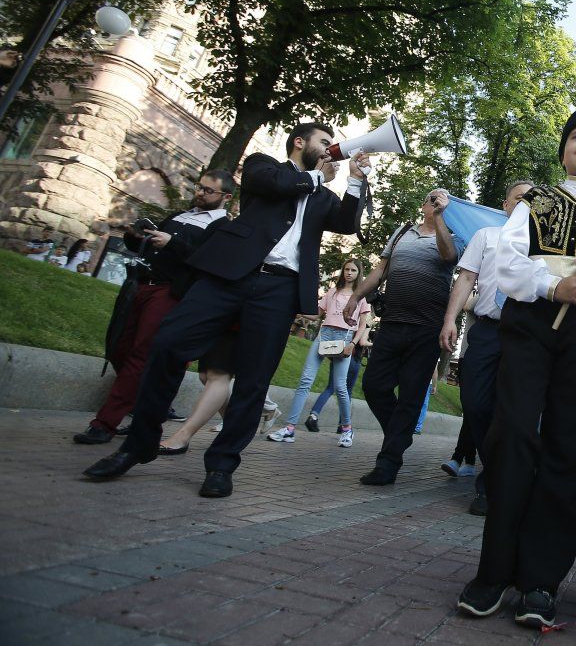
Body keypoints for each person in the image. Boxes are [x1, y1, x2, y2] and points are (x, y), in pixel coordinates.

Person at [82, 122, 369, 498]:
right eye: (325, 142)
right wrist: (317, 176)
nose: (333, 148)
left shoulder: (321, 194)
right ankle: (139, 443)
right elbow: (278, 185)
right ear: (300, 143)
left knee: (253, 378)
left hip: (279, 288)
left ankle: (222, 463)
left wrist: (356, 182)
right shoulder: (264, 166)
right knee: (168, 344)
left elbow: (347, 223)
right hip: (230, 275)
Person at [457, 107, 576, 629]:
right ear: (562, 151)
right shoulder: (534, 202)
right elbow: (507, 261)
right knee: (511, 432)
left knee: (571, 448)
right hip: (532, 323)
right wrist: (552, 285)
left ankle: (540, 581)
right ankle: (493, 572)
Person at [72, 172, 235, 445]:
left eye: (209, 191)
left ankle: (104, 423)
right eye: (199, 187)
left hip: (171, 292)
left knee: (141, 354)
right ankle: (143, 409)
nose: (200, 193)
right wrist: (136, 238)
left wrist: (174, 244)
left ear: (226, 197)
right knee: (120, 346)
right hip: (140, 284)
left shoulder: (222, 227)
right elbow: (151, 245)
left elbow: (207, 262)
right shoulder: (179, 215)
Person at [342, 188, 462, 484]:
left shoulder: (453, 234)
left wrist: (442, 217)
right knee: (373, 386)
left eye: (441, 200)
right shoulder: (402, 232)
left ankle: (388, 463)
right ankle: (401, 433)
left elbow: (449, 257)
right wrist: (356, 296)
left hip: (426, 329)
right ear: (422, 205)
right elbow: (380, 270)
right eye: (431, 199)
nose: (435, 203)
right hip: (392, 323)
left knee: (410, 395)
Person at [440, 179, 534, 515]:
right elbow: (465, 279)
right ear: (506, 205)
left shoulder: (543, 244)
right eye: (519, 199)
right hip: (487, 331)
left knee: (508, 411)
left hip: (525, 336)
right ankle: (496, 469)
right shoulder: (486, 237)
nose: (525, 204)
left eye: (532, 200)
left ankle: (492, 485)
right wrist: (450, 319)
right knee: (476, 403)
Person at [268, 258, 369, 448]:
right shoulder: (332, 292)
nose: (349, 273)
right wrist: (295, 309)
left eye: (353, 270)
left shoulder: (360, 297)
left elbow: (363, 325)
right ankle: (289, 429)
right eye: (346, 269)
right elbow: (316, 314)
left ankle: (347, 429)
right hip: (324, 334)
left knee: (340, 387)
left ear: (358, 274)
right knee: (305, 380)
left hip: (344, 339)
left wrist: (353, 344)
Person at [305, 315, 373, 429]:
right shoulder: (367, 318)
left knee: (330, 388)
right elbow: (362, 342)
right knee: (348, 391)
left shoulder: (349, 312)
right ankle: (343, 424)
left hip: (339, 352)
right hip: (353, 357)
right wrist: (372, 344)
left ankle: (313, 416)